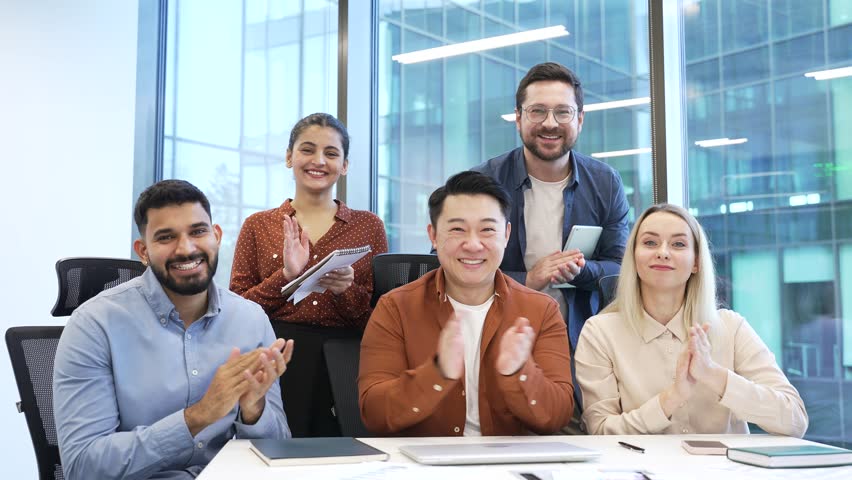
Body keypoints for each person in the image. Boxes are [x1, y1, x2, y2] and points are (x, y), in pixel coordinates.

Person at [53, 180, 292, 480]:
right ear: (143, 251)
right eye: (166, 237)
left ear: (216, 236)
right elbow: (83, 467)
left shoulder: (250, 319)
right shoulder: (94, 325)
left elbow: (279, 450)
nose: (187, 248)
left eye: (198, 231)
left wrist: (253, 413)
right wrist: (197, 417)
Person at [359, 171, 573, 436]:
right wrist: (436, 373)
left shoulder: (541, 311)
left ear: (506, 235)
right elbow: (374, 414)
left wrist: (520, 372)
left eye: (487, 230)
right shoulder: (395, 308)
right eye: (457, 229)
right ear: (434, 236)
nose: (473, 245)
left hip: (507, 464)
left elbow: (558, 416)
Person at [575, 203, 808, 436]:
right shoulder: (600, 332)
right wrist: (671, 398)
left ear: (696, 262)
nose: (663, 252)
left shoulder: (731, 327)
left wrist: (713, 375)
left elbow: (795, 421)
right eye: (650, 242)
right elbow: (601, 432)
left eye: (678, 244)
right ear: (634, 257)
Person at [230, 113, 388, 437]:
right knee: (279, 454)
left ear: (344, 165)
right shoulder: (259, 225)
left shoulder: (369, 226)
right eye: (307, 149)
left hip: (347, 358)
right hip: (278, 355)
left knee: (346, 458)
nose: (319, 161)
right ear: (289, 157)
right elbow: (237, 312)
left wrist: (347, 290)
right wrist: (285, 276)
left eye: (331, 153)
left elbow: (379, 319)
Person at [472, 62, 629, 352]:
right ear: (518, 118)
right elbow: (451, 265)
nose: (550, 123)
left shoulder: (605, 183)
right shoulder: (481, 183)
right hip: (495, 340)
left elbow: (621, 270)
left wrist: (581, 271)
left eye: (562, 112)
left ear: (580, 119)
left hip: (580, 345)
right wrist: (527, 280)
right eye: (537, 111)